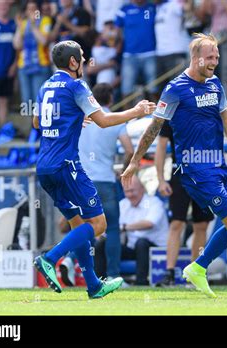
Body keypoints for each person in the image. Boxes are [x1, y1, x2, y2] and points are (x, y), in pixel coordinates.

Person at [122, 33, 227, 300]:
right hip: (194, 169)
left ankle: (198, 267)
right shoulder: (175, 89)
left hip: (218, 164)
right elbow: (154, 129)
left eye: (217, 57)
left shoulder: (215, 85)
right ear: (196, 58)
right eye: (210, 57)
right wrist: (134, 162)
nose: (215, 62)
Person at [32, 40, 155, 299]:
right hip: (66, 165)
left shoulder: (45, 86)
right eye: (83, 58)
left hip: (44, 166)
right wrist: (136, 110)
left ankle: (93, 285)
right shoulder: (76, 85)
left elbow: (36, 122)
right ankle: (50, 258)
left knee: (79, 226)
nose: (86, 62)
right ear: (73, 62)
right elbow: (104, 121)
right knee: (98, 225)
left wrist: (73, 116)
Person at [78, 83, 134, 283]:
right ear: (111, 98)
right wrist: (125, 170)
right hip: (106, 181)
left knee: (81, 226)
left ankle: (71, 264)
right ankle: (113, 274)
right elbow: (129, 150)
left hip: (83, 181)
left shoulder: (83, 118)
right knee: (111, 229)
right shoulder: (115, 121)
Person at [154, 120, 213, 287]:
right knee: (176, 223)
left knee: (201, 225)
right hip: (179, 174)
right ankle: (170, 273)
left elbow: (215, 142)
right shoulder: (171, 115)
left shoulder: (205, 111)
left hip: (204, 175)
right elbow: (161, 146)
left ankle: (196, 273)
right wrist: (160, 179)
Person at [117, 176, 168, 285]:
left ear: (142, 189)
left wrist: (124, 227)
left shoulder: (154, 202)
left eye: (132, 191)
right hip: (133, 248)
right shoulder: (123, 204)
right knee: (104, 245)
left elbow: (149, 223)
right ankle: (102, 281)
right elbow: (114, 226)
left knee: (141, 243)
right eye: (127, 191)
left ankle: (141, 283)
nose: (130, 195)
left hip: (155, 249)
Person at [114, 0, 158, 103]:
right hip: (129, 55)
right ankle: (128, 118)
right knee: (126, 89)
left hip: (150, 53)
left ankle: (156, 117)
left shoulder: (153, 8)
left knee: (153, 88)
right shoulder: (123, 10)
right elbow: (118, 31)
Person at [13, 0, 53, 111]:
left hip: (41, 65)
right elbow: (17, 45)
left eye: (34, 8)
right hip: (24, 65)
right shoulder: (23, 23)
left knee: (39, 100)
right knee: (26, 102)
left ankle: (40, 127)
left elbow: (44, 41)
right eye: (29, 9)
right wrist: (19, 27)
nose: (32, 11)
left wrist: (33, 25)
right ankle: (31, 126)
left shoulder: (45, 20)